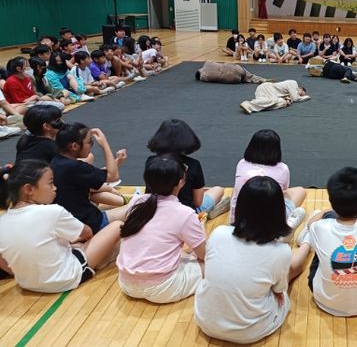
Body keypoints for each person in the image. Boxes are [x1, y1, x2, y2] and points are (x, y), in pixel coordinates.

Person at [194, 176, 312, 343]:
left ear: (240, 206)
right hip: (251, 332)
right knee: (289, 269)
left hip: (205, 322)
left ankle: (295, 233)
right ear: (279, 211)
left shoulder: (219, 233)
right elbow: (278, 290)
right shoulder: (280, 252)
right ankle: (307, 240)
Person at [0, 160, 122, 293]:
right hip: (66, 279)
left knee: (72, 245)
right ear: (29, 189)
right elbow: (87, 234)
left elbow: (6, 264)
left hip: (26, 284)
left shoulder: (2, 220)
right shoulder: (52, 211)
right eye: (50, 183)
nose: (55, 188)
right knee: (117, 226)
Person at [117, 156, 206, 303]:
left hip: (126, 283)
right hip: (163, 288)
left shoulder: (137, 201)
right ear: (180, 182)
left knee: (184, 254)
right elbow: (204, 255)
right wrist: (202, 227)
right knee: (212, 264)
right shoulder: (184, 213)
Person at [300, 167, 357, 316]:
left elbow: (311, 224)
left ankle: (306, 240)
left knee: (322, 227)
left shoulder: (320, 227)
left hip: (325, 301)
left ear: (331, 200)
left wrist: (324, 211)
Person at [52, 123, 130, 233]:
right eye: (89, 142)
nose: (91, 146)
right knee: (140, 207)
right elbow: (113, 176)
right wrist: (104, 144)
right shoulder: (75, 167)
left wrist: (117, 162)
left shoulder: (56, 162)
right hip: (88, 222)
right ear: (74, 146)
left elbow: (94, 175)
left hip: (70, 222)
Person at [146, 119, 230, 220]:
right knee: (218, 190)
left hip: (155, 208)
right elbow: (198, 202)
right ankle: (207, 212)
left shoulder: (151, 162)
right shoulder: (193, 165)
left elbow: (149, 191)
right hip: (185, 212)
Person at [231, 129, 306, 230]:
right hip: (272, 225)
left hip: (238, 222)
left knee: (236, 191)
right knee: (299, 191)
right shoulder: (282, 169)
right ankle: (288, 225)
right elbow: (283, 190)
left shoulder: (242, 163)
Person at [240, 80, 310, 114]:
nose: (299, 95)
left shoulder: (289, 94)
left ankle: (251, 107)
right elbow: (296, 99)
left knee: (282, 103)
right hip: (267, 87)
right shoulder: (294, 83)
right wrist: (307, 97)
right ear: (300, 88)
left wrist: (287, 100)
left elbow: (291, 98)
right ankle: (248, 104)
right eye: (301, 94)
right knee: (274, 100)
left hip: (268, 92)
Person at [195, 61, 266, 84]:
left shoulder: (203, 77)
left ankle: (251, 79)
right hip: (237, 69)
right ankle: (258, 79)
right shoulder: (207, 63)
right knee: (246, 74)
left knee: (243, 77)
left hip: (234, 79)